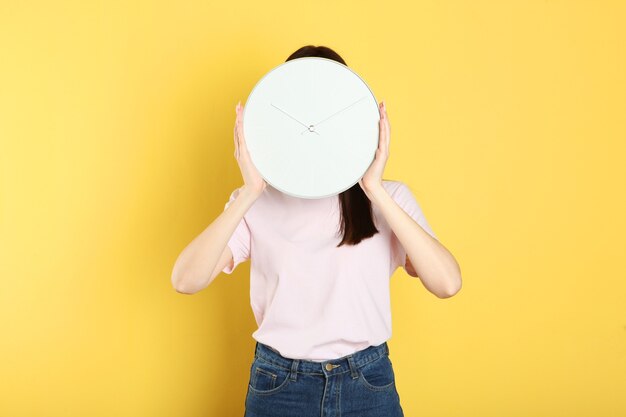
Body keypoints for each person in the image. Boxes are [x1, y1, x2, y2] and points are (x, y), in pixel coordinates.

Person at [171, 45, 462, 417]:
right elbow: (185, 279)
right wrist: (250, 193)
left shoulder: (388, 197)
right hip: (279, 385)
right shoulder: (255, 203)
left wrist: (374, 188)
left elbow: (447, 283)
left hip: (367, 383)